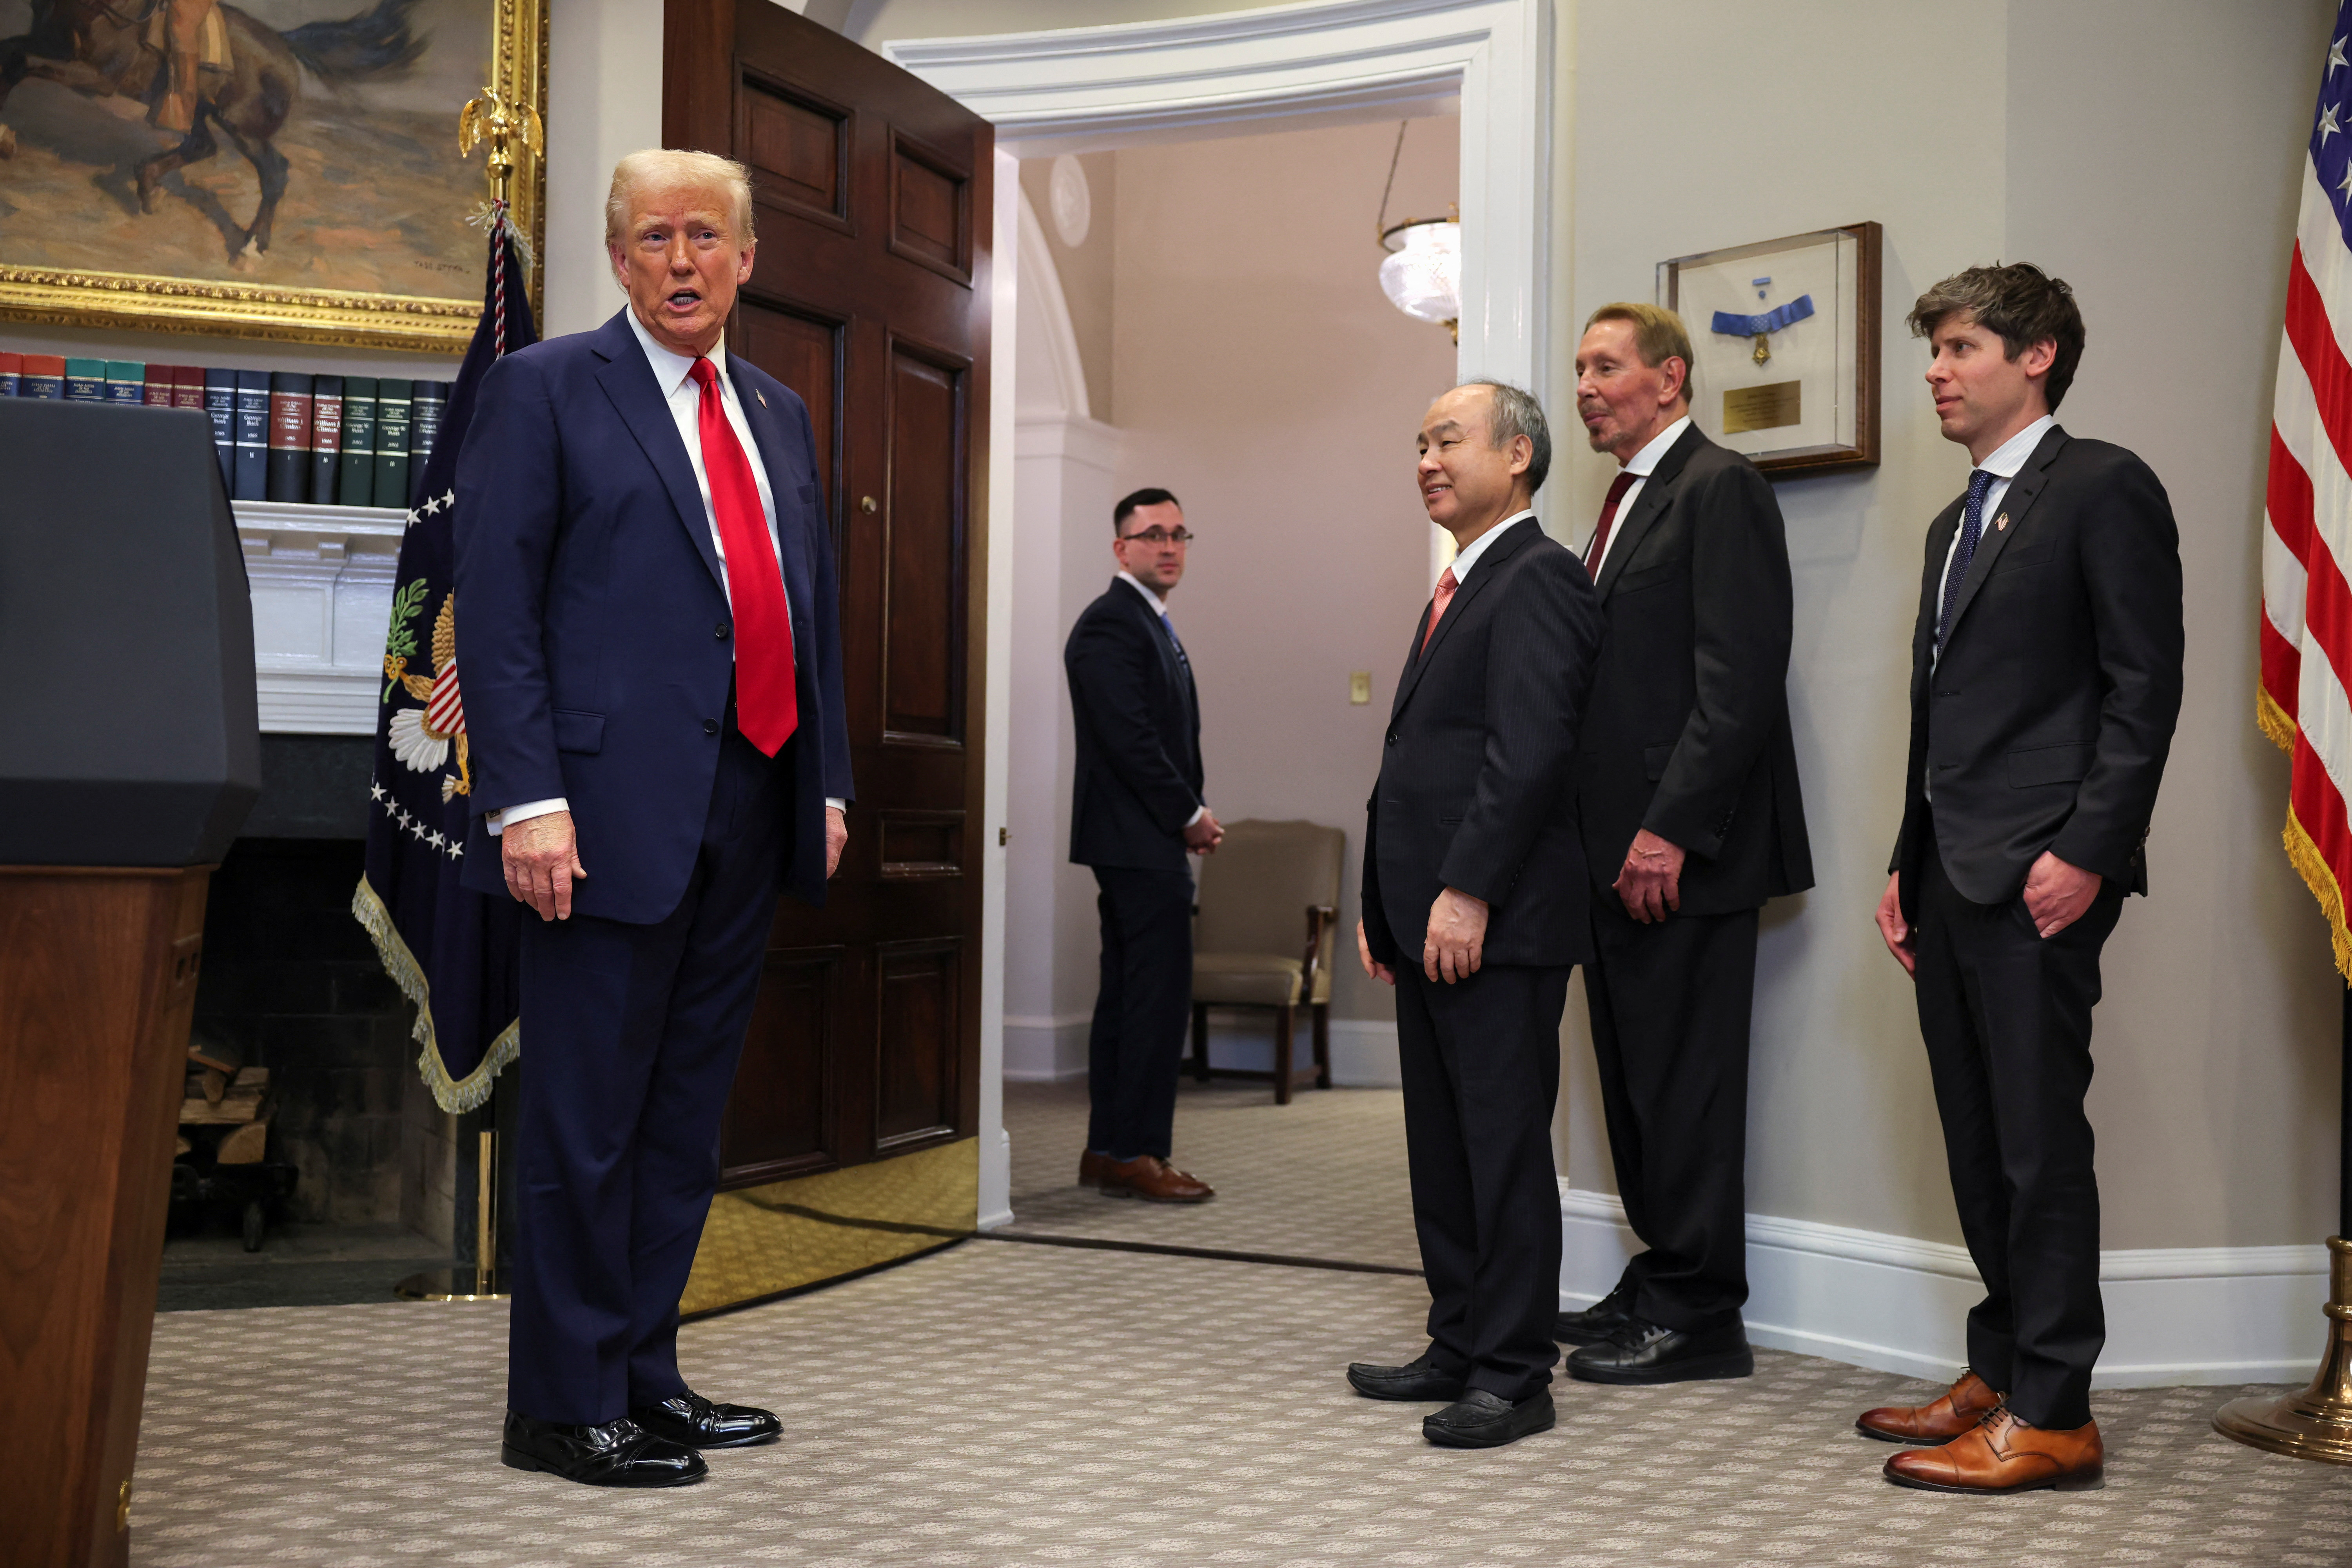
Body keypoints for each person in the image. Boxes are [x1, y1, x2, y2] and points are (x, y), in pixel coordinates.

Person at [456, 149, 853, 1488]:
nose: (682, 261)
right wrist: (528, 801)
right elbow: (497, 611)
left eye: (705, 236)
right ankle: (560, 1405)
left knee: (683, 1118)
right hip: (594, 813)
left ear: (747, 258)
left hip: (751, 797)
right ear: (620, 260)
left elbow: (807, 607)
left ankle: (642, 1376)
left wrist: (826, 781)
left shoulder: (779, 411)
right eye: (652, 237)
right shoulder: (545, 389)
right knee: (587, 1121)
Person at [1865, 264, 2181, 1494]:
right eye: (1935, 351)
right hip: (1949, 873)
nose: (1937, 372)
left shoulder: (2103, 485)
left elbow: (2144, 687)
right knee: (1978, 1134)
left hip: (2044, 870)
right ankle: (1999, 1369)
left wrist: (2088, 852)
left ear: (2036, 354)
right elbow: (1942, 716)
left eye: (1959, 348)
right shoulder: (1953, 523)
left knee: (2039, 1145)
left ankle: (2054, 1411)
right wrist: (1906, 862)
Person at [1553, 303, 1812, 1385]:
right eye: (1578, 369)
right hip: (1608, 857)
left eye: (1606, 366)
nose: (1584, 387)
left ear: (1670, 379)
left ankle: (1704, 1314)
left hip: (1683, 857)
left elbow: (1738, 681)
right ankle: (1663, 1275)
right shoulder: (1619, 504)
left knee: (1687, 1089)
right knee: (1638, 1084)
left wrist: (1668, 830)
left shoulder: (1721, 486)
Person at [1347, 381, 1602, 1449]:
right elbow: (1420, 758)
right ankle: (1456, 1339)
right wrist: (1384, 902)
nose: (1426, 460)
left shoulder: (1540, 577)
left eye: (1448, 440)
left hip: (1495, 921)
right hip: (1428, 919)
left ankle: (1513, 1372)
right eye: (1419, 444)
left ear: (1519, 455)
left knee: (1500, 1151)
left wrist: (1467, 890)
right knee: (1444, 1150)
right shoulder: (1459, 583)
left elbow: (1528, 756)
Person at [1064, 488, 1224, 1202]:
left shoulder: (1148, 621)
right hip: (1136, 840)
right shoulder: (1111, 623)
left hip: (1142, 840)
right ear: (1121, 548)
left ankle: (1109, 1150)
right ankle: (1136, 1153)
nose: (1169, 547)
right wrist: (1189, 814)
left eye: (1179, 534)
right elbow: (1130, 739)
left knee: (1131, 999)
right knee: (1152, 1005)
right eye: (1153, 534)